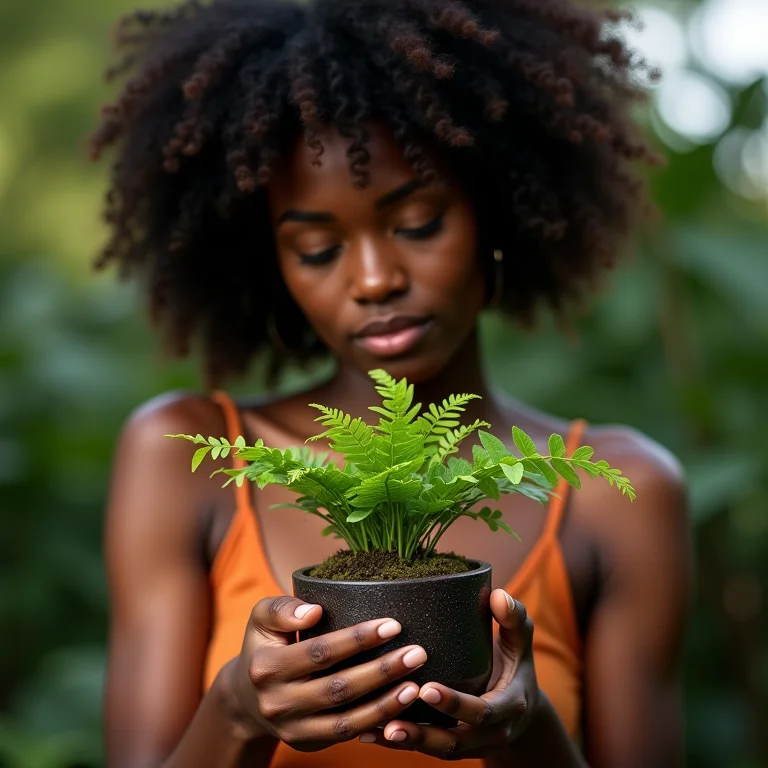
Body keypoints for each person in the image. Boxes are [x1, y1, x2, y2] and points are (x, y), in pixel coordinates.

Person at [92, 0, 692, 765]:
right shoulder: (181, 460)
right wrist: (239, 710)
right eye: (316, 250)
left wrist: (526, 728)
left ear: (499, 217)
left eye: (417, 224)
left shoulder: (623, 494)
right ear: (271, 268)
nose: (375, 279)